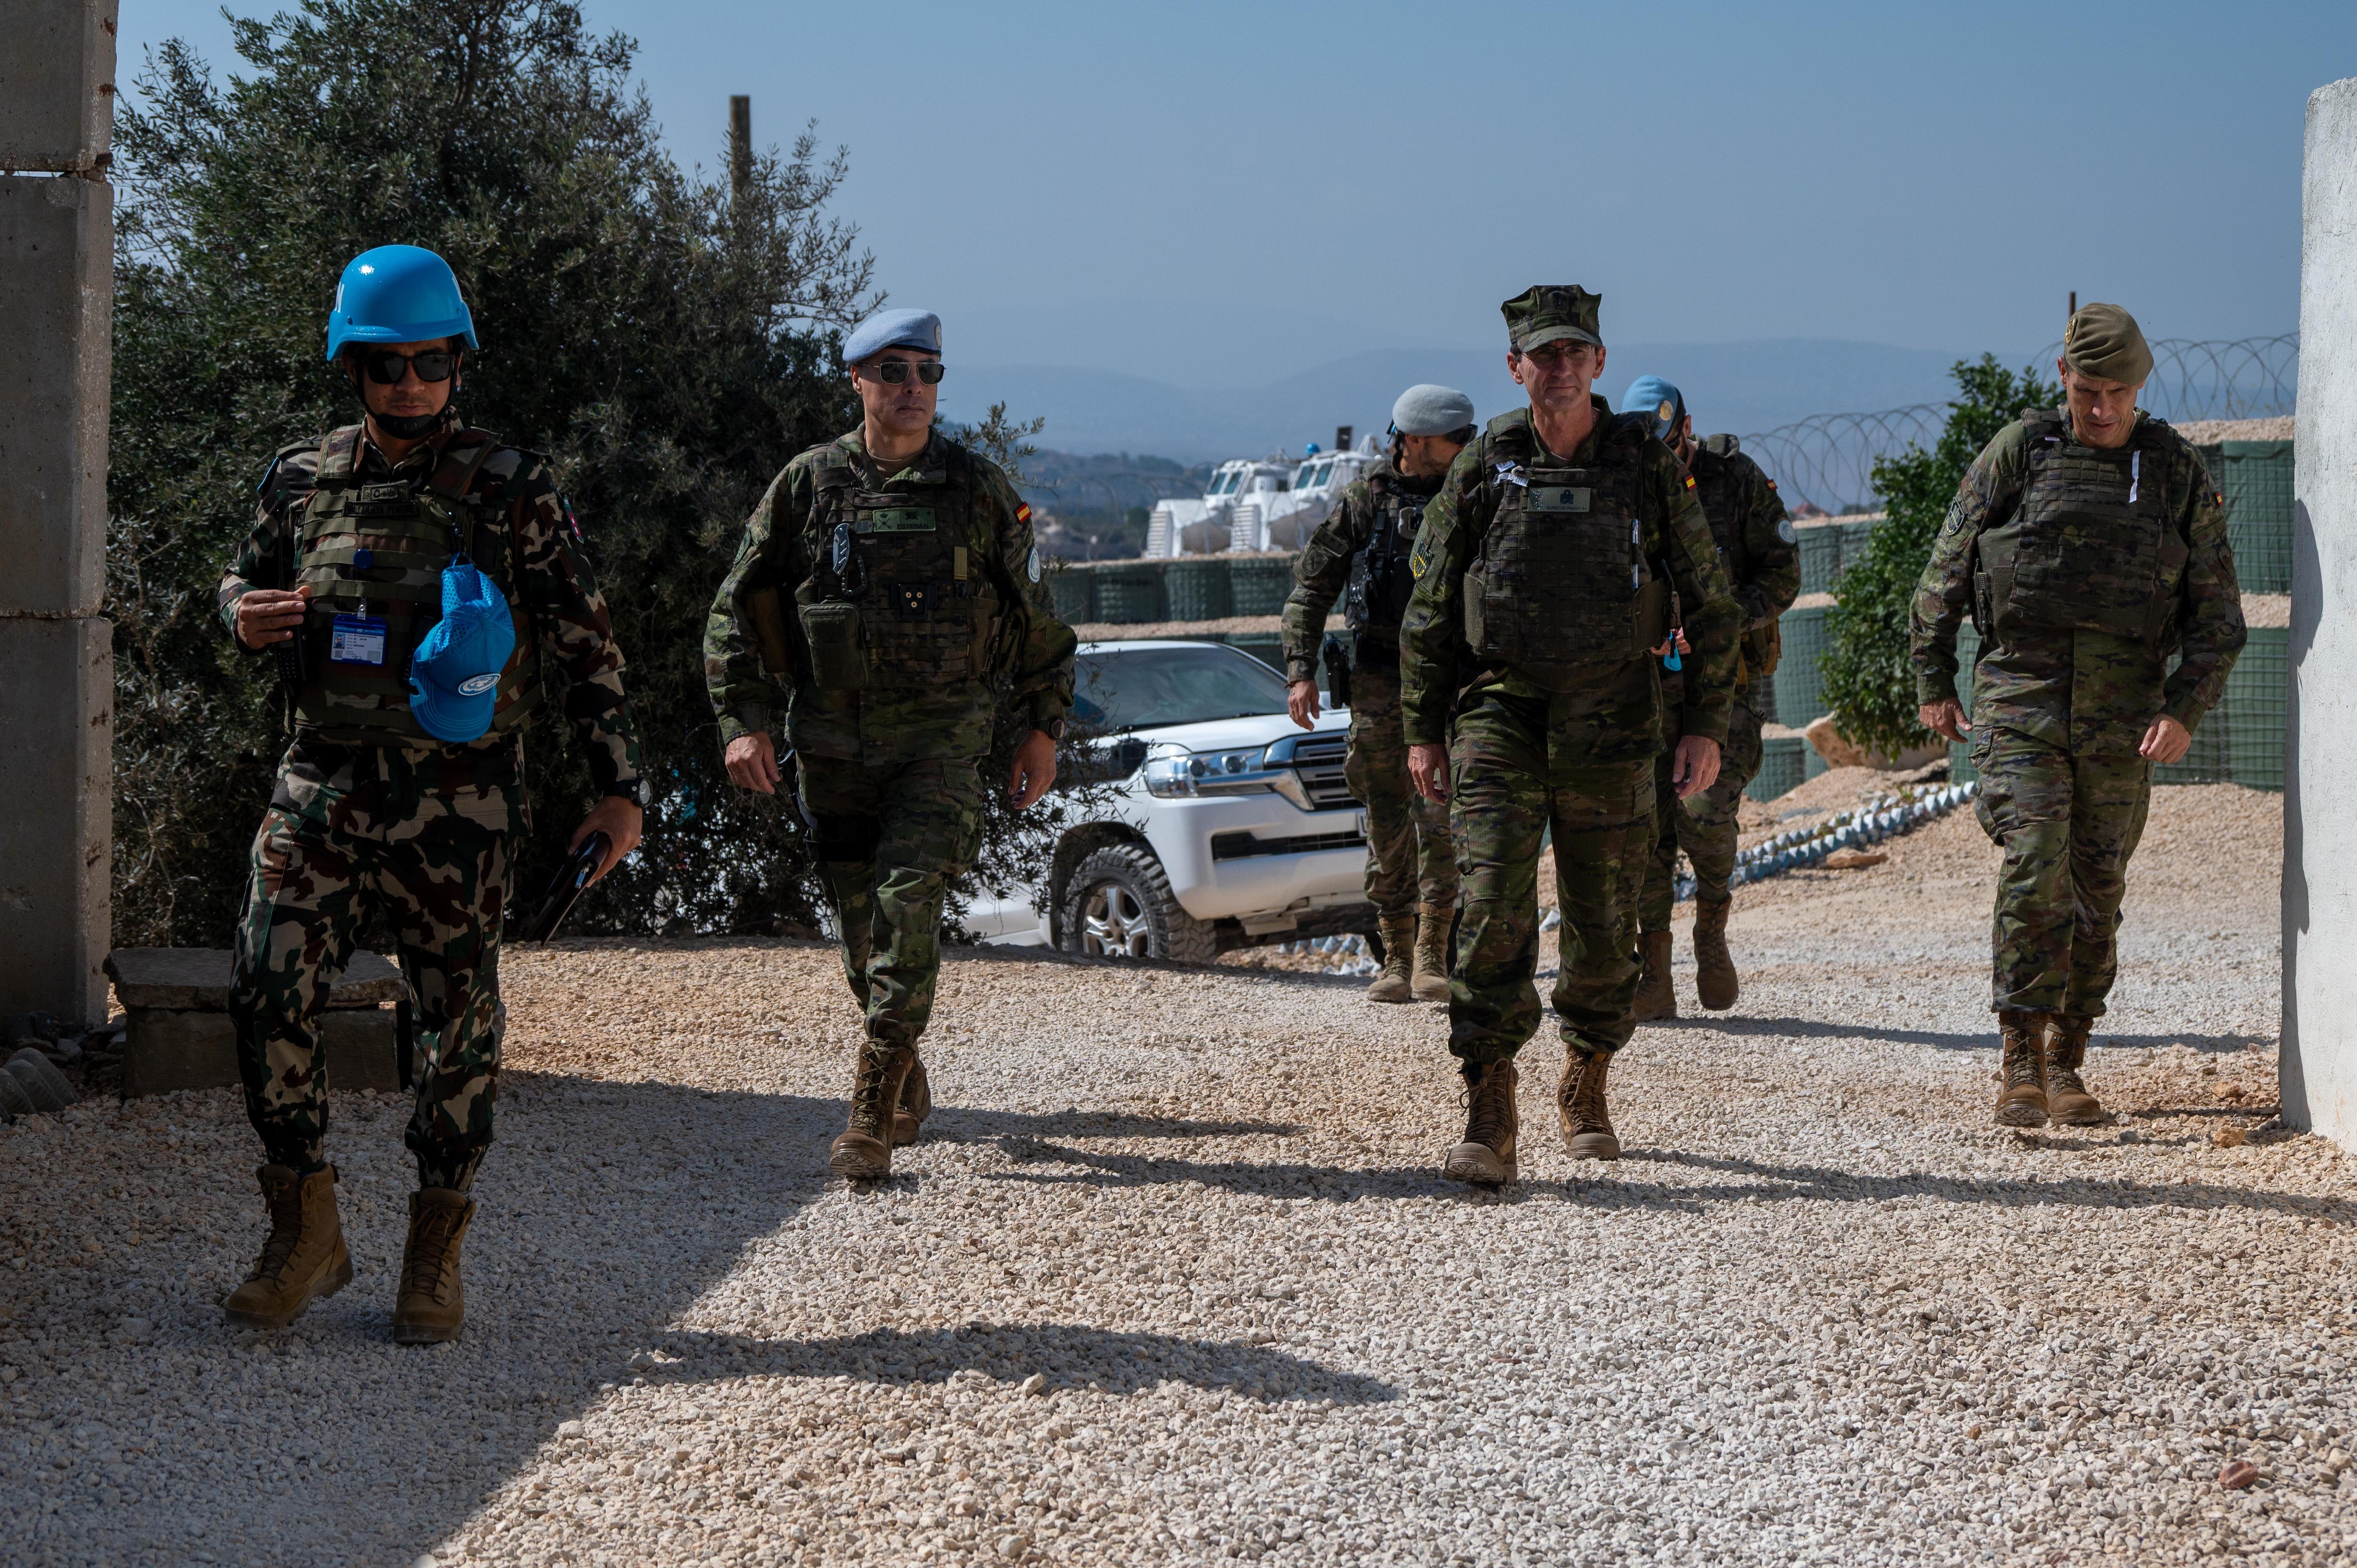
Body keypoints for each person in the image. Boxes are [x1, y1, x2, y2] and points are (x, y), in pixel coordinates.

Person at [217, 244, 647, 1341]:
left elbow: (583, 639)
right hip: (322, 781)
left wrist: (617, 790)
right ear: (351, 369)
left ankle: (433, 1250)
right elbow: (244, 578)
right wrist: (242, 613)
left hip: (459, 802)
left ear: (458, 363)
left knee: (457, 1024)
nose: (410, 383)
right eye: (385, 364)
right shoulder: (299, 480)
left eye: (431, 361)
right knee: (267, 986)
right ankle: (305, 1227)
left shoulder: (509, 485)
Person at [706, 308, 1076, 1180]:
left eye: (928, 372)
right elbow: (734, 607)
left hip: (941, 748)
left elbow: (1037, 625)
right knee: (863, 928)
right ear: (858, 380)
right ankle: (904, 1064)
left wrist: (1042, 729)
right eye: (894, 371)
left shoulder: (979, 490)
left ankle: (869, 1107)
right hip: (832, 748)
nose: (914, 388)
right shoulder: (807, 486)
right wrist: (741, 722)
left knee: (908, 901)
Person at [1398, 286, 1740, 1183]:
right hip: (1498, 714)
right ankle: (1490, 1101)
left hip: (1615, 718)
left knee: (1604, 919)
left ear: (1598, 362)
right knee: (1491, 909)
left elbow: (1709, 596)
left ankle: (1587, 1075)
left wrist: (1704, 723)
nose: (1557, 368)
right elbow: (1431, 604)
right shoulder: (1486, 464)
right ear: (1516, 368)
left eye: (1573, 353)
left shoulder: (1644, 464)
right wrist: (1422, 731)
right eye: (1540, 355)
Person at [1912, 303, 2244, 1128]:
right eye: (2087, 390)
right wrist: (1931, 679)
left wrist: (2183, 710)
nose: (2100, 410)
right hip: (2019, 698)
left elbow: (2220, 617)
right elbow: (1944, 570)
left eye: (2117, 394)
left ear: (2141, 387)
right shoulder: (2021, 452)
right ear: (2062, 377)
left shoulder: (2172, 473)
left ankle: (2068, 1057)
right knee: (2035, 857)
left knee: (2098, 885)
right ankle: (2019, 1049)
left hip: (2123, 715)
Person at [1281, 386, 1477, 1004]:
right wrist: (1299, 669)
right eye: (1455, 441)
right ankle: (1394, 952)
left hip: (1449, 687)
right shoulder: (1364, 502)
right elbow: (1311, 588)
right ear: (1415, 441)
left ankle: (1431, 953)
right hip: (1376, 685)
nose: (1464, 451)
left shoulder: (1469, 499)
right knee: (1389, 822)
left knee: (1443, 819)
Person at [1618, 376, 1799, 1018]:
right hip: (1646, 686)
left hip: (1724, 687)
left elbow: (1781, 574)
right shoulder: (1622, 485)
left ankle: (1710, 929)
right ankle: (1654, 968)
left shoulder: (1735, 480)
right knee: (1646, 830)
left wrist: (1720, 618)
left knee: (1706, 815)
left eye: (1666, 447)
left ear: (1685, 430)